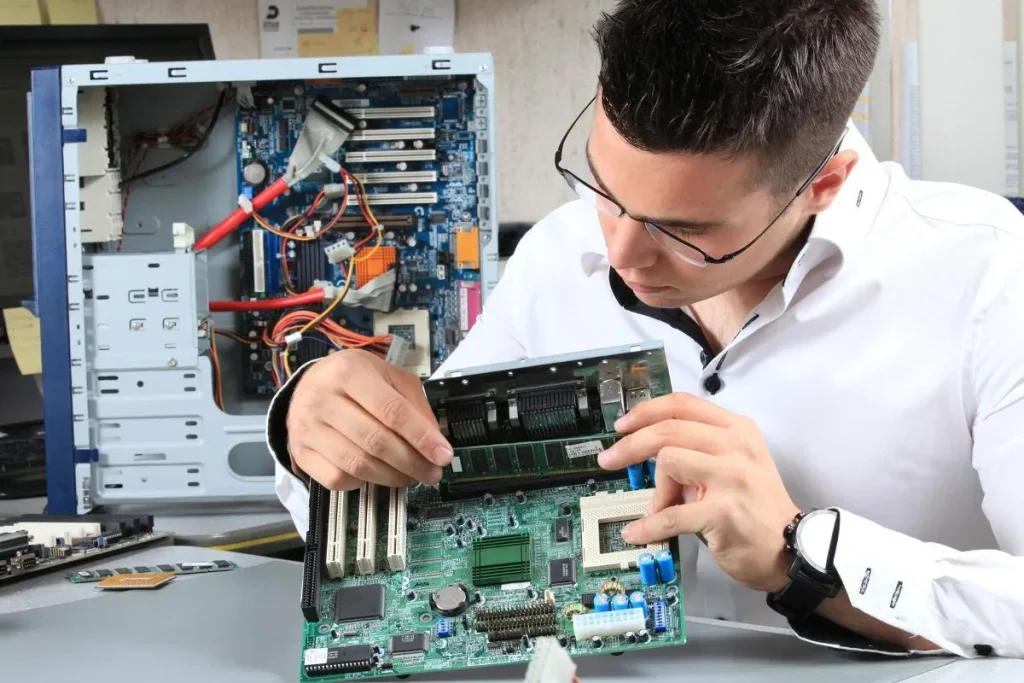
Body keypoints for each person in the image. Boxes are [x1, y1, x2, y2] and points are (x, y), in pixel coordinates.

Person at [267, 0, 1024, 658]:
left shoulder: (988, 278)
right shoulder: (558, 257)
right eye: (602, 184)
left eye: (684, 230)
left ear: (822, 183)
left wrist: (803, 555)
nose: (621, 254)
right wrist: (315, 428)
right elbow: (418, 515)